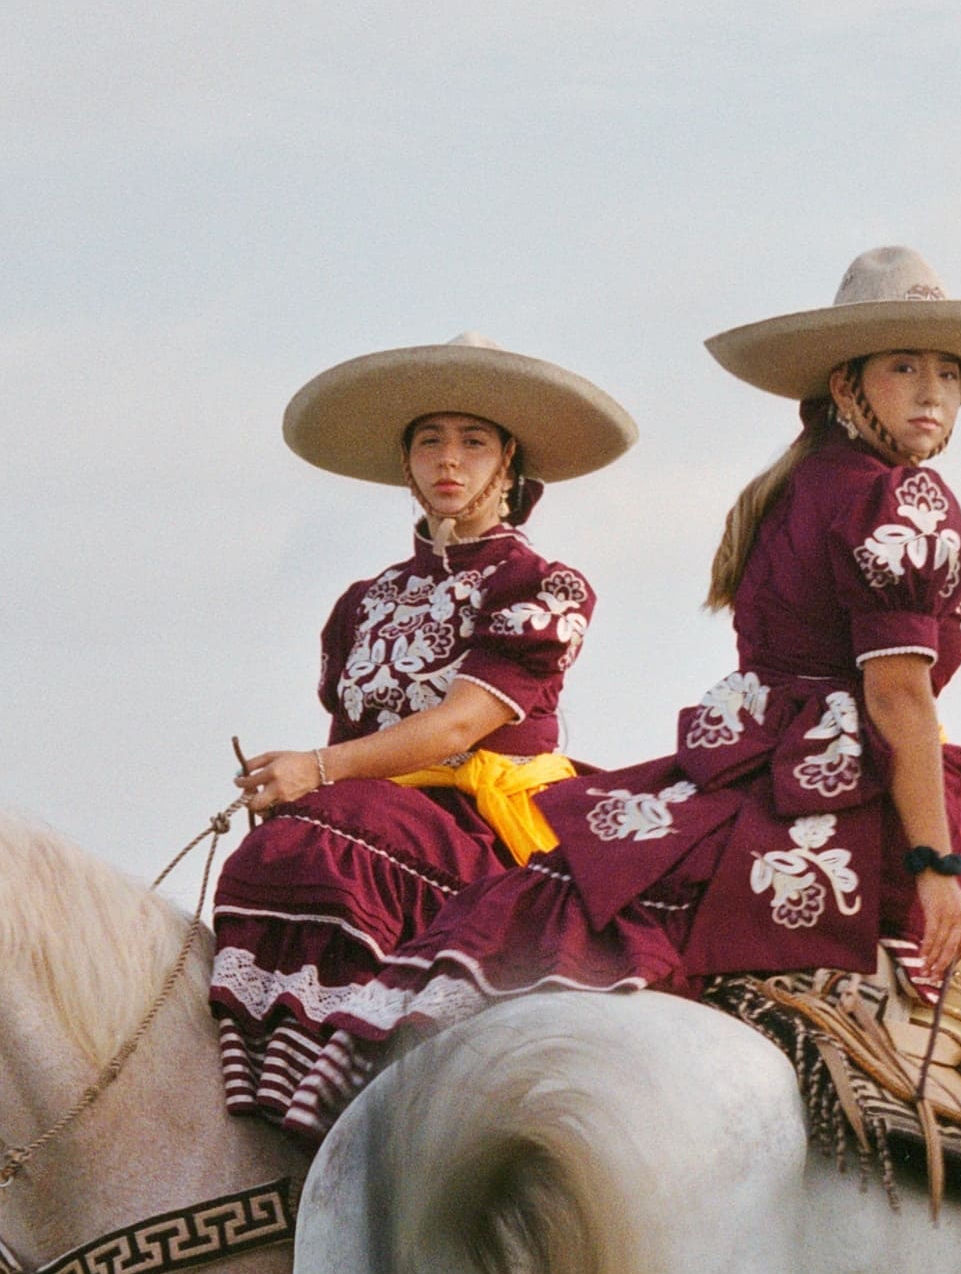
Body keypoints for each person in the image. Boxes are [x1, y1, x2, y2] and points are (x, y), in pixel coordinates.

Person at [544, 245, 961, 1001]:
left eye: (948, 372)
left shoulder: (789, 485)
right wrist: (935, 870)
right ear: (847, 382)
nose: (932, 392)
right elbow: (899, 698)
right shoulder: (905, 498)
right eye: (904, 367)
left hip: (748, 757)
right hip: (849, 762)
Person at [207, 333, 638, 1144]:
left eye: (474, 442)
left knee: (330, 841)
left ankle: (361, 1100)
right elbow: (352, 733)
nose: (451, 459)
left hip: (491, 821)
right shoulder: (361, 603)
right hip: (372, 812)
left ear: (508, 463)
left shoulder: (543, 586)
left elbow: (461, 724)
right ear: (405, 463)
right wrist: (304, 788)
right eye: (430, 440)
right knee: (280, 852)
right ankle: (265, 1100)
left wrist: (317, 770)